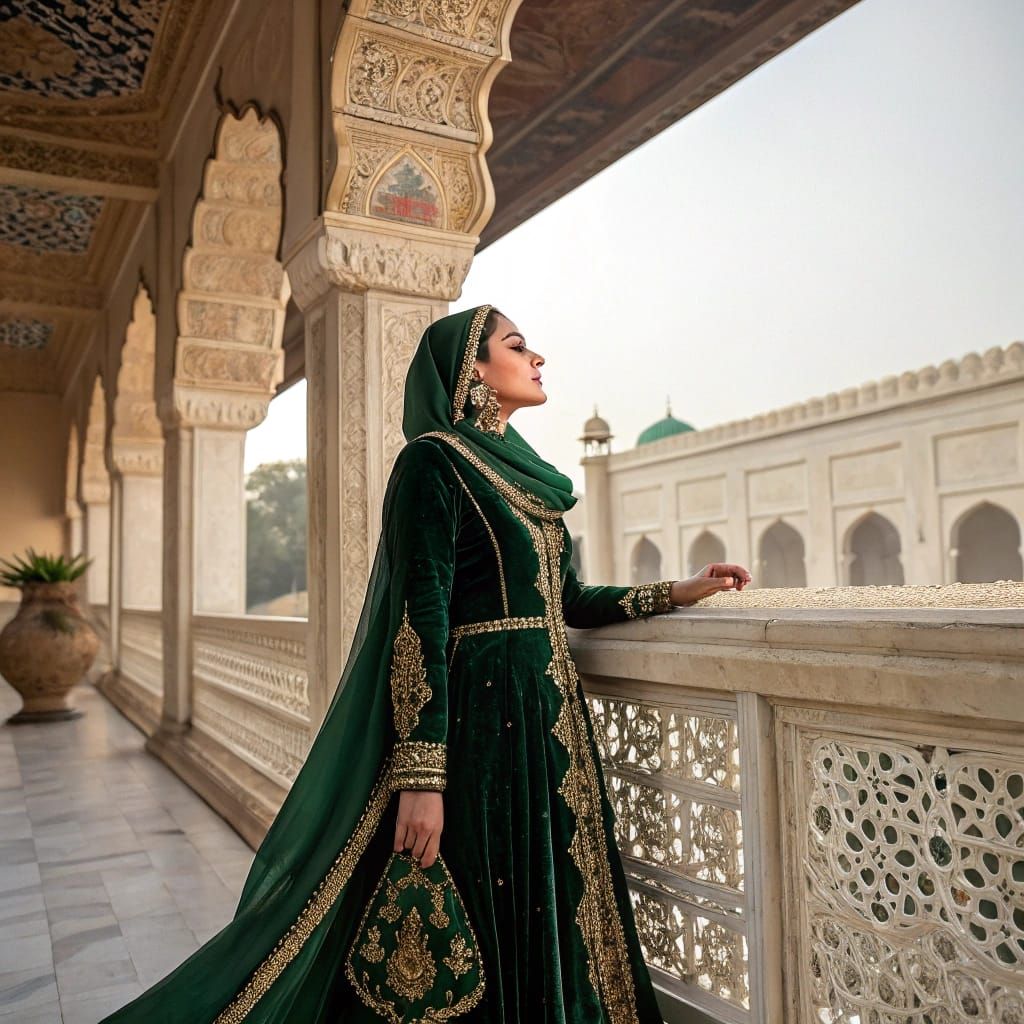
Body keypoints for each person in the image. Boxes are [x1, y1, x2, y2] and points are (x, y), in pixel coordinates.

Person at [102, 305, 750, 1024]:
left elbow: (568, 600)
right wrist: (421, 780)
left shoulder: (533, 480)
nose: (539, 359)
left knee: (553, 902)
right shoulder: (433, 463)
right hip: (478, 730)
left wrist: (677, 591)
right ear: (471, 368)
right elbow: (420, 624)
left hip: (548, 726)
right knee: (482, 911)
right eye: (517, 345)